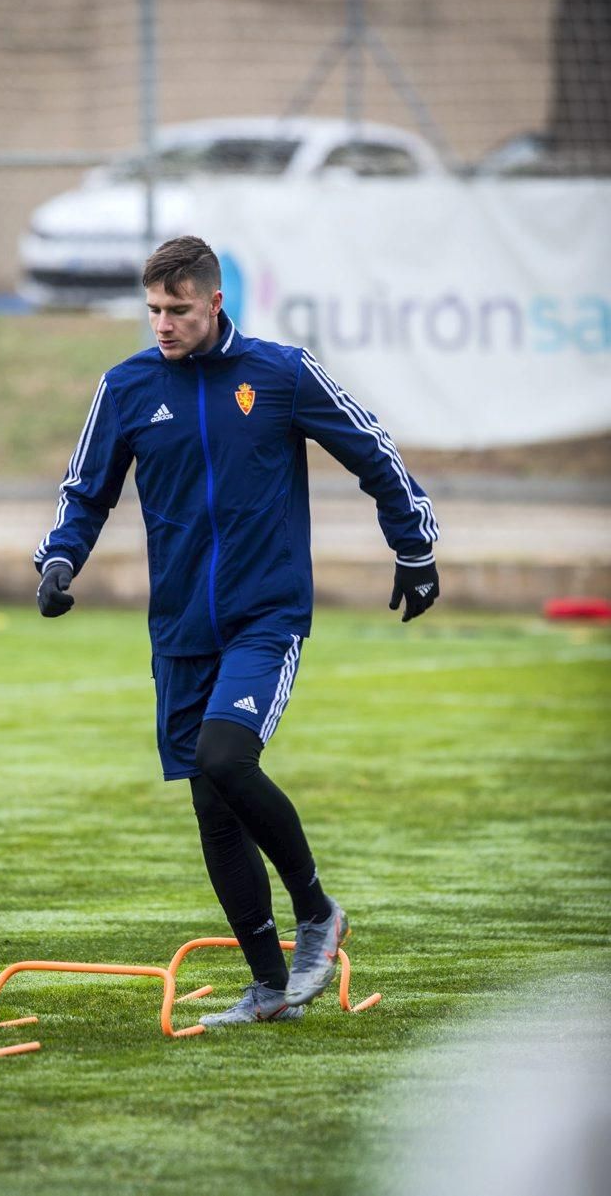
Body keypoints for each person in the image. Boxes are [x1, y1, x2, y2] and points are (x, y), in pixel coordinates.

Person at [34, 236, 439, 1027]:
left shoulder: (281, 373)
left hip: (266, 616)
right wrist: (58, 560)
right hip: (180, 628)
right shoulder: (126, 387)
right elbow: (86, 492)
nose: (162, 324)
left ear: (214, 303)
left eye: (177, 309)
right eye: (153, 309)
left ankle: (317, 909)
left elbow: (373, 449)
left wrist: (414, 545)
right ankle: (267, 988)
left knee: (227, 756)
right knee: (211, 803)